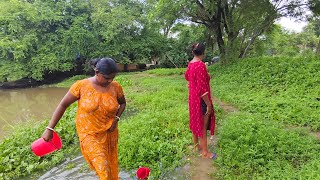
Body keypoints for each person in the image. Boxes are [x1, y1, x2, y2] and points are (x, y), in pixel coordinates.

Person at [42, 57, 126, 180]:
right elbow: (63, 105)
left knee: (109, 164)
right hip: (89, 134)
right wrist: (50, 128)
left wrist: (116, 119)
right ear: (97, 72)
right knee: (103, 166)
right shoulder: (81, 86)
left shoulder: (115, 87)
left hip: (109, 132)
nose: (110, 81)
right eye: (107, 78)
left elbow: (123, 103)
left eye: (113, 78)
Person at [184, 42, 216, 159]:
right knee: (203, 126)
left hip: (192, 99)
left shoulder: (191, 64)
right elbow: (202, 90)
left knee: (195, 122)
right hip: (201, 100)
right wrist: (208, 104)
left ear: (193, 52)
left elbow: (187, 76)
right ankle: (205, 153)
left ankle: (196, 146)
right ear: (204, 52)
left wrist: (193, 82)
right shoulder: (201, 65)